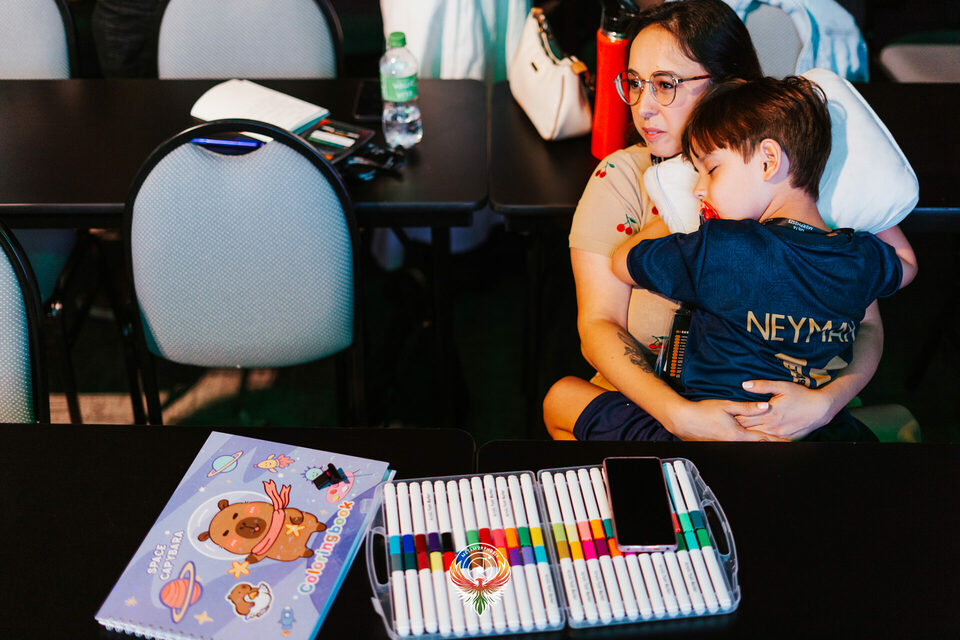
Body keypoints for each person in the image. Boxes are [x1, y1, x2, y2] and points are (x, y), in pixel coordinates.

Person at [542, 0, 891, 442]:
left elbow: (868, 324)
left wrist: (828, 402)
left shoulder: (787, 174)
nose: (643, 106)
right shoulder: (623, 177)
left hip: (799, 416)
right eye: (634, 83)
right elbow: (597, 325)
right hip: (655, 409)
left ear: (728, 83)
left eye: (665, 85)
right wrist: (679, 415)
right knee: (562, 400)